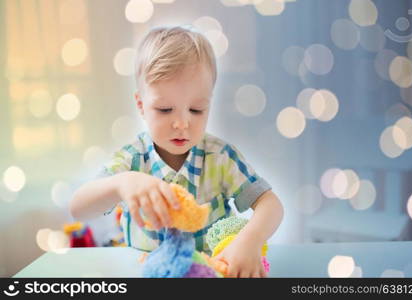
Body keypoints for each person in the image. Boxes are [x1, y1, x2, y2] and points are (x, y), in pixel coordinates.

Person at [70, 25, 284, 278]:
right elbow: (78, 208)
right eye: (164, 109)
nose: (182, 123)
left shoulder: (220, 158)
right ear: (141, 105)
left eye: (196, 110)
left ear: (209, 102)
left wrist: (250, 239)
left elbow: (271, 205)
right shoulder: (132, 160)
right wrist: (121, 184)